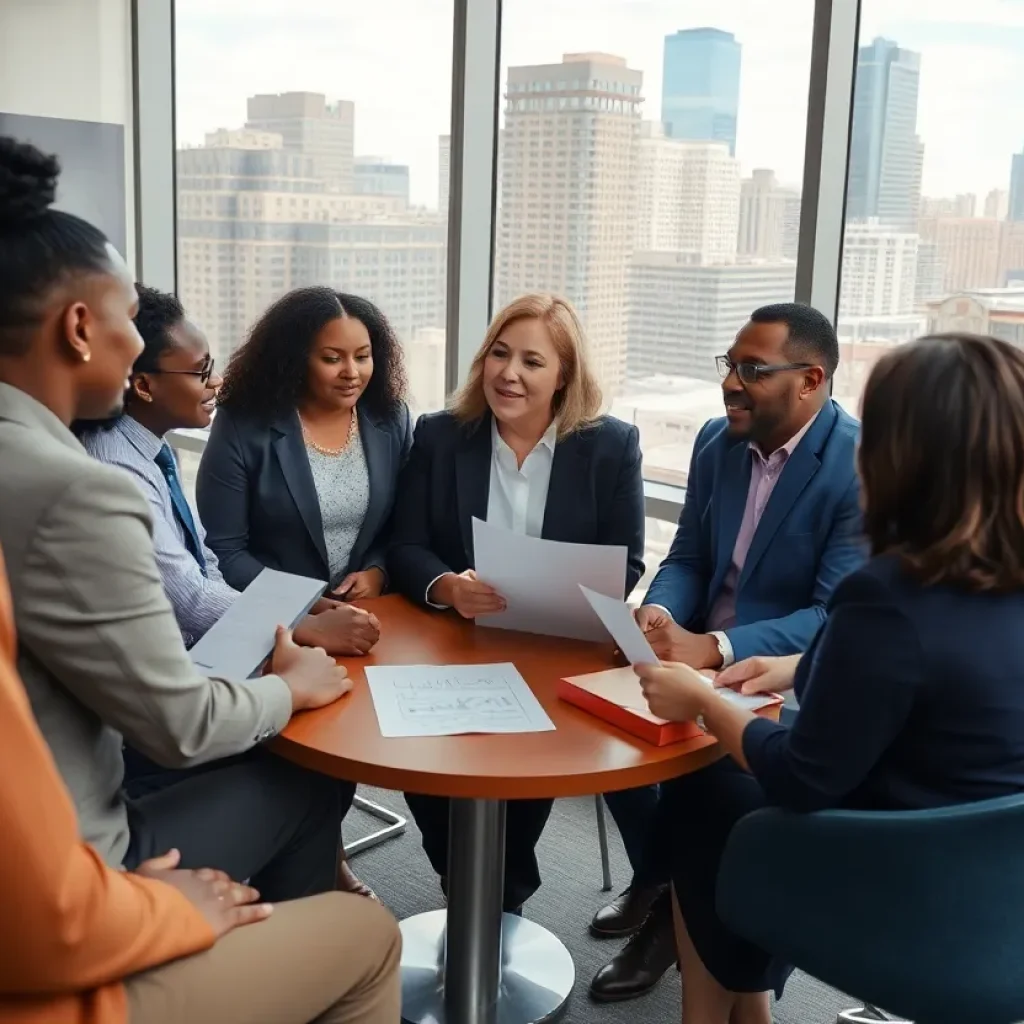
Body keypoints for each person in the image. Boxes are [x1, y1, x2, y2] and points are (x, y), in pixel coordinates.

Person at [636, 332, 1024, 1024]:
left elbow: (802, 778)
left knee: (708, 791)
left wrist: (703, 703)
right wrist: (797, 665)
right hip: (1002, 891)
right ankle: (749, 1005)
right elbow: (944, 683)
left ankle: (708, 1014)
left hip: (911, 889)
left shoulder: (890, 596)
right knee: (726, 791)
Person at [0, 136, 349, 903]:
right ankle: (265, 959)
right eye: (130, 319)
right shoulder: (78, 488)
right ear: (81, 327)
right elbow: (179, 725)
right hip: (68, 864)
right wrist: (290, 687)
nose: (135, 347)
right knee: (314, 780)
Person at [0, 539, 402, 1024]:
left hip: (76, 862)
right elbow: (46, 925)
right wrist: (155, 907)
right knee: (371, 935)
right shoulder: (74, 487)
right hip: (61, 957)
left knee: (301, 785)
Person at [590, 303, 864, 1003]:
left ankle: (666, 910)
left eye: (753, 370)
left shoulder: (858, 467)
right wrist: (662, 611)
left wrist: (714, 646)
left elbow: (832, 618)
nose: (731, 384)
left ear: (810, 380)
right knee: (597, 726)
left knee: (698, 780)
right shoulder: (718, 442)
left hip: (780, 680)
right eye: (729, 366)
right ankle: (668, 892)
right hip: (693, 654)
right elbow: (688, 556)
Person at [77, 284, 375, 898]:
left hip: (209, 652)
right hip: (154, 716)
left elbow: (204, 562)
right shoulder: (114, 474)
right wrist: (296, 627)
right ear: (144, 385)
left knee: (323, 721)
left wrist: (296, 611)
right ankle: (301, 914)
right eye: (202, 369)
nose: (215, 381)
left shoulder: (149, 453)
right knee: (311, 751)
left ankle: (302, 893)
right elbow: (188, 597)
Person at [388, 293, 646, 914]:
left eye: (533, 361)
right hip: (455, 641)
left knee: (531, 766)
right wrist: (448, 587)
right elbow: (406, 545)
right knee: (429, 766)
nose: (510, 373)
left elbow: (628, 560)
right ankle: (476, 886)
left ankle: (499, 894)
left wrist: (571, 597)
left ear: (564, 376)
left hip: (558, 648)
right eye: (500, 355)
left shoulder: (610, 447)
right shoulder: (443, 435)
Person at [197, 286, 412, 611]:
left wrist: (378, 572)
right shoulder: (242, 425)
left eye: (362, 356)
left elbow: (407, 525)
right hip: (274, 620)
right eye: (332, 358)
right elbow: (224, 552)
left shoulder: (391, 419)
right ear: (295, 360)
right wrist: (309, 606)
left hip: (373, 616)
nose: (351, 373)